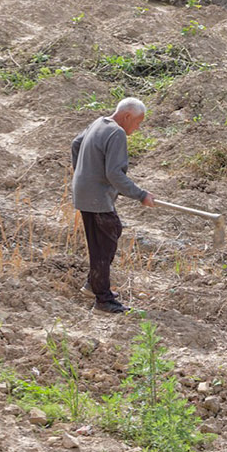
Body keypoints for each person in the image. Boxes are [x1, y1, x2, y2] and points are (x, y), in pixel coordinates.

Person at [70, 96, 155, 314]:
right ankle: (103, 301)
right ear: (127, 116)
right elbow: (114, 174)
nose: (137, 127)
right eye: (137, 122)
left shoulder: (99, 123)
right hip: (97, 199)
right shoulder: (116, 133)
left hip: (85, 193)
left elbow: (76, 144)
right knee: (104, 244)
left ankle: (93, 284)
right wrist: (141, 195)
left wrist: (83, 173)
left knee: (108, 235)